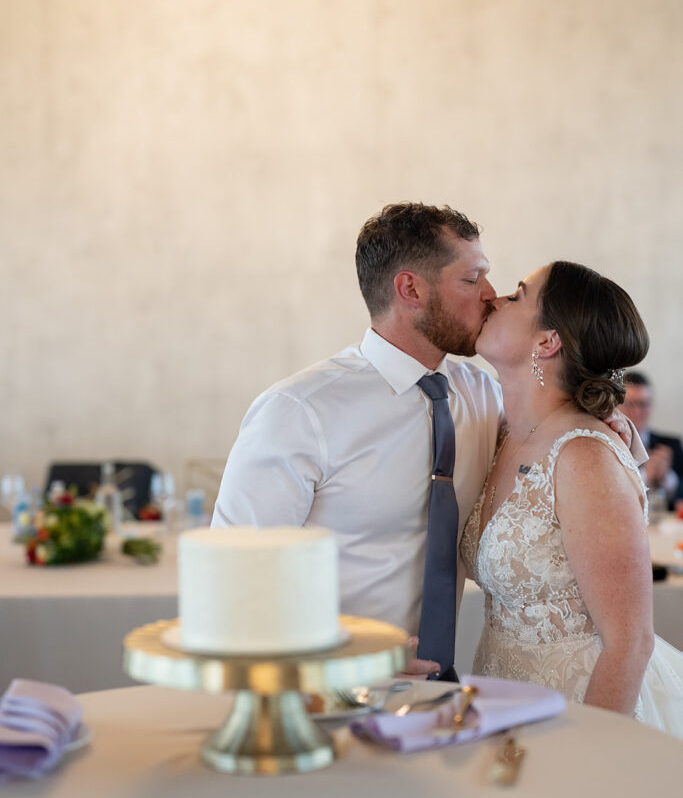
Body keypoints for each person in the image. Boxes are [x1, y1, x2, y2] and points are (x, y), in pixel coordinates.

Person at [213, 204, 642, 678]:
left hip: (446, 706)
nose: (490, 295)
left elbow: (560, 436)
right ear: (411, 289)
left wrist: (606, 417)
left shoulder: (482, 397)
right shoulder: (298, 412)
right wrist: (341, 660)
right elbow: (231, 580)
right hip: (325, 697)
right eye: (471, 279)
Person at [460, 261, 683, 734]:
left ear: (547, 341)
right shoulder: (501, 435)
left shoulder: (582, 455)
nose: (496, 299)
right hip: (502, 700)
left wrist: (590, 754)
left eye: (519, 295)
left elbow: (631, 642)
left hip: (580, 709)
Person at [619, 371, 683, 509]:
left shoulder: (670, 445)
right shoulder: (608, 446)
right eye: (630, 404)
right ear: (616, 405)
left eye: (643, 404)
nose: (637, 412)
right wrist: (646, 476)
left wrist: (666, 478)